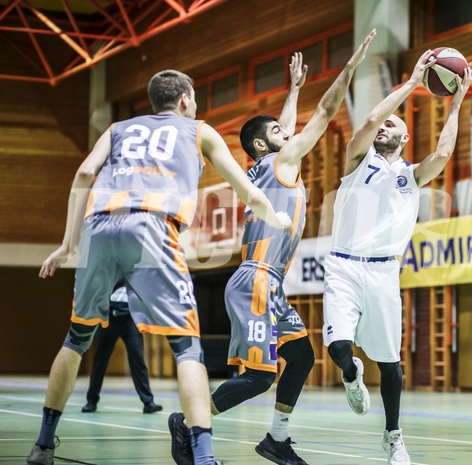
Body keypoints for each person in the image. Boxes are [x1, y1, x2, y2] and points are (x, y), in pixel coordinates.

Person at [27, 69, 292, 465]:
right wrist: (276, 217)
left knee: (77, 338)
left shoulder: (117, 128)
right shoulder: (198, 129)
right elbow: (249, 192)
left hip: (98, 225)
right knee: (186, 348)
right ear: (185, 99)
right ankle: (203, 458)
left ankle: (43, 445)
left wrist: (68, 244)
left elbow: (84, 173)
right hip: (152, 224)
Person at [167, 30, 376, 465]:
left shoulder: (268, 162)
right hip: (257, 280)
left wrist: (294, 89)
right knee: (260, 378)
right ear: (265, 144)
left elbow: (279, 132)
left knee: (300, 356)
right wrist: (349, 68)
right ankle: (188, 424)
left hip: (269, 284)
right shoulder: (281, 161)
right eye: (282, 132)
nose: (290, 133)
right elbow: (325, 112)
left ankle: (276, 440)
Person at [322, 51, 472, 465]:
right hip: (343, 266)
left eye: (393, 124)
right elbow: (369, 122)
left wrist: (456, 102)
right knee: (337, 347)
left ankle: (393, 437)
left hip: (385, 274)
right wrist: (411, 83)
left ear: (405, 139)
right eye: (383, 122)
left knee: (390, 363)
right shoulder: (357, 158)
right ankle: (350, 374)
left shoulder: (411, 174)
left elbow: (442, 154)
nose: (383, 125)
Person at [81, 281, 163, 414]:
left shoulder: (134, 271)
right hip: (109, 319)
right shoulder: (109, 270)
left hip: (130, 320)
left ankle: (148, 402)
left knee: (138, 360)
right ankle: (91, 401)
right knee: (100, 361)